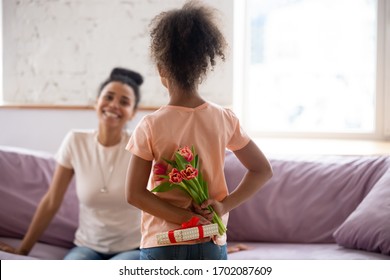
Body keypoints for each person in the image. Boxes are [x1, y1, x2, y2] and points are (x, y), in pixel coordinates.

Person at [125, 0, 273, 260]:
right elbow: (262, 170)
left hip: (163, 243)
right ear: (203, 67)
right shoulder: (224, 118)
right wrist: (224, 205)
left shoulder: (150, 125)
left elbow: (134, 194)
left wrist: (186, 218)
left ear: (162, 70)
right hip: (211, 241)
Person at [0, 67, 143, 260]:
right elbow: (52, 201)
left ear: (133, 113)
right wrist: (23, 250)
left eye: (124, 102)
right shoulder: (75, 141)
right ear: (96, 102)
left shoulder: (140, 145)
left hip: (131, 249)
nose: (114, 105)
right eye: (108, 97)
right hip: (86, 247)